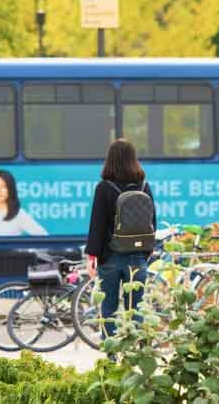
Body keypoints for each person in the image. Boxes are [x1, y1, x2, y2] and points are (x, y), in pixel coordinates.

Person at [85, 138, 156, 336]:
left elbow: (97, 225)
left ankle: (112, 357)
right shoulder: (143, 187)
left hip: (110, 256)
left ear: (110, 159)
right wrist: (146, 252)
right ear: (133, 159)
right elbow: (153, 222)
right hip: (137, 256)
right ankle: (137, 352)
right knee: (136, 310)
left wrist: (92, 256)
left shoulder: (104, 188)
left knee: (108, 308)